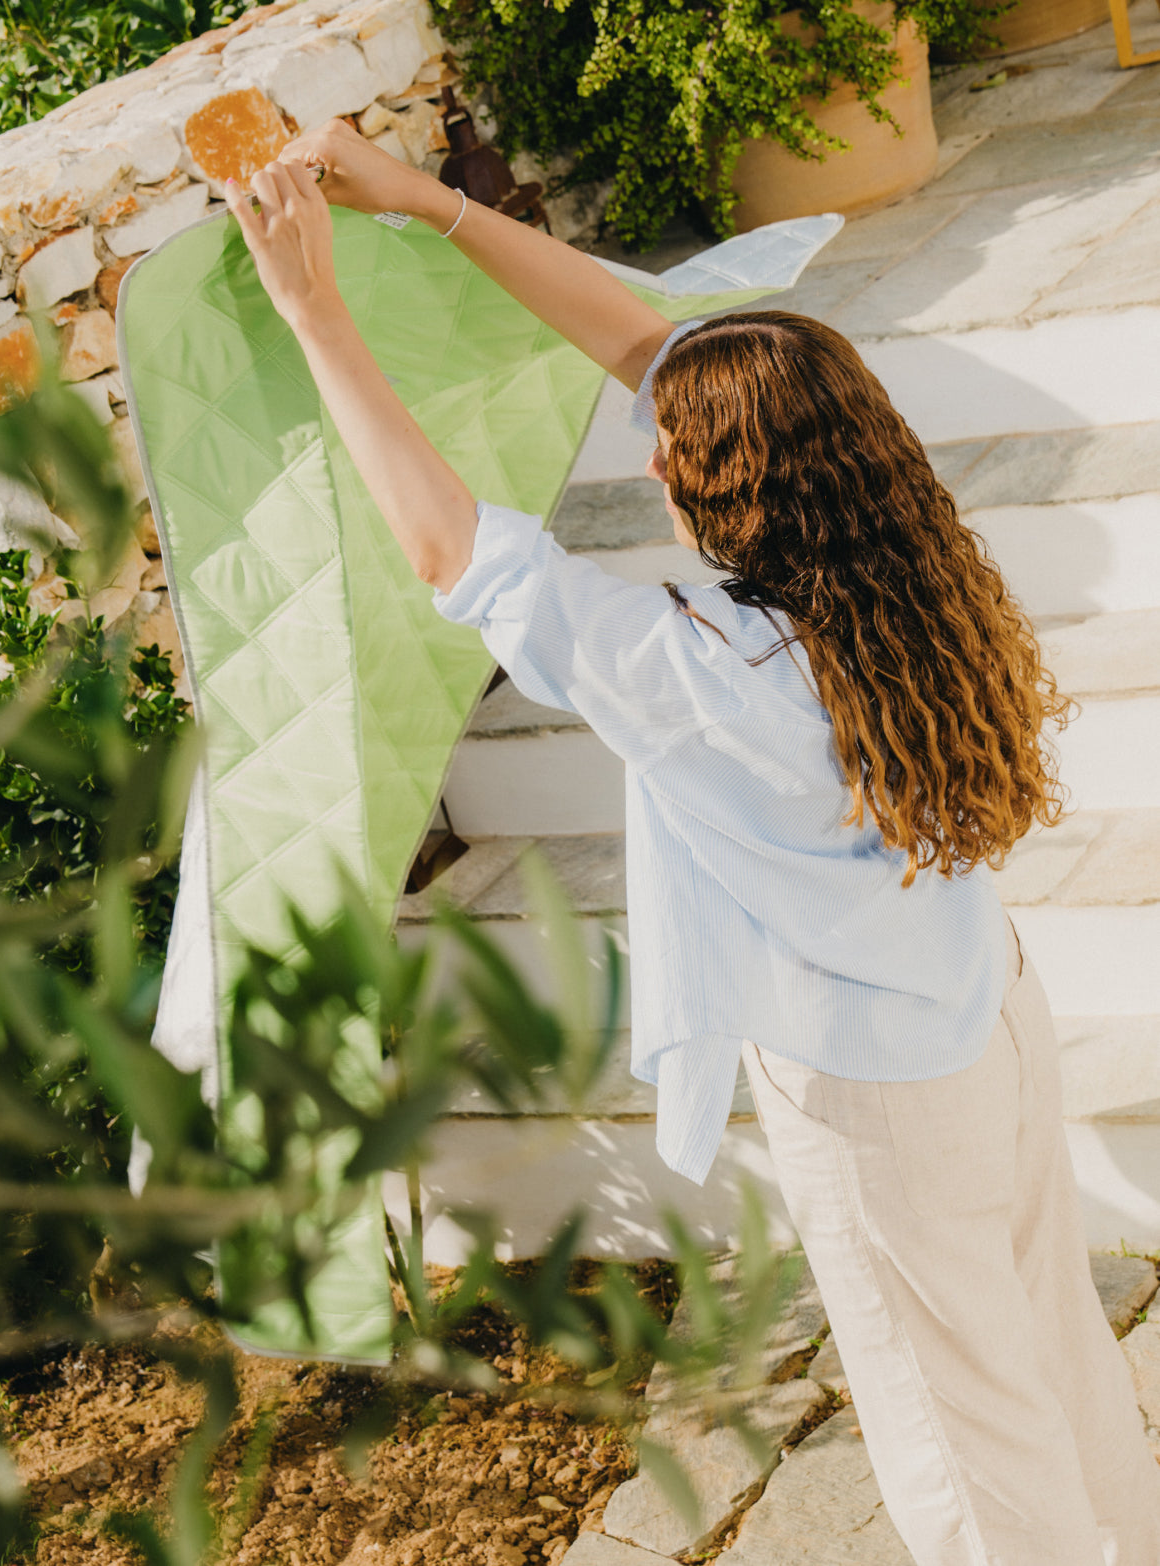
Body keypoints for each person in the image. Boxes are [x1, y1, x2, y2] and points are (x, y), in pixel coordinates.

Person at [223, 122, 1160, 1566]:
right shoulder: (889, 554)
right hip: (990, 1017)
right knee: (1050, 1361)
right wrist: (421, 203)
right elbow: (654, 346)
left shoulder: (705, 677)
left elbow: (450, 549)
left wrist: (315, 308)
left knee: (967, 1443)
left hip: (884, 1101)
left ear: (724, 492)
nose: (654, 463)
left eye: (673, 457)